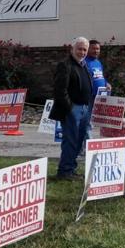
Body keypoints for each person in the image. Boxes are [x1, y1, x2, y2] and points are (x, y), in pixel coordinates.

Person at [51, 37, 93, 180]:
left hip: (85, 109)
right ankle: (65, 171)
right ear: (72, 49)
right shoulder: (65, 65)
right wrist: (70, 108)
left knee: (79, 141)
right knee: (71, 141)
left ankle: (71, 168)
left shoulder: (84, 65)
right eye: (79, 49)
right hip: (72, 109)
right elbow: (60, 90)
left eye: (84, 50)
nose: (82, 52)